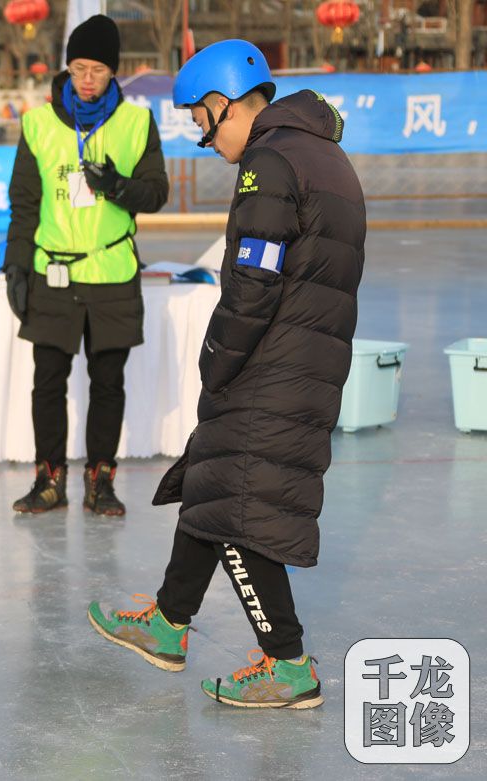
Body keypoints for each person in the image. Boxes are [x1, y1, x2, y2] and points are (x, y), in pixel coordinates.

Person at [88, 40, 365, 709]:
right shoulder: (323, 155)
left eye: (199, 119)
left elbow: (253, 284)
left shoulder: (268, 163)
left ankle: (286, 659)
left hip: (271, 363)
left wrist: (218, 359)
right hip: (304, 362)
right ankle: (168, 620)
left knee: (243, 509)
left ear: (224, 104)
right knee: (216, 481)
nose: (201, 137)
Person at [3, 15, 168, 515]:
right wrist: (17, 265)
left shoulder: (137, 123)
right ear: (68, 69)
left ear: (113, 71)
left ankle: (101, 482)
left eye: (97, 68)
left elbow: (156, 193)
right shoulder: (38, 124)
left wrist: (117, 185)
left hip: (112, 273)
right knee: (47, 381)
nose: (88, 78)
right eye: (79, 68)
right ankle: (49, 481)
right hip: (54, 272)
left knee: (108, 382)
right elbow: (25, 202)